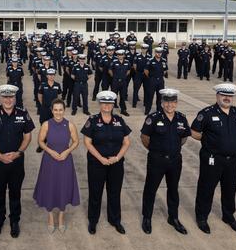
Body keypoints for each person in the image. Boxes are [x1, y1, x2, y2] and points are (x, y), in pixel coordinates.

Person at [191, 83, 236, 234]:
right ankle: (202, 217)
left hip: (233, 160)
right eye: (224, 95)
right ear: (217, 96)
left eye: (230, 96)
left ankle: (228, 216)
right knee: (206, 188)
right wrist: (211, 141)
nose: (227, 98)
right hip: (213, 159)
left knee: (230, 189)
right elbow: (195, 132)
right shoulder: (207, 113)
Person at [0, 84, 35, 238]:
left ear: (15, 98)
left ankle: (14, 221)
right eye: (5, 97)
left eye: (11, 97)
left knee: (15, 193)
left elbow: (28, 136)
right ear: (1, 98)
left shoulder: (22, 113)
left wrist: (18, 153)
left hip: (16, 162)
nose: (8, 100)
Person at [140, 88, 190, 235]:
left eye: (173, 102)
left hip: (175, 160)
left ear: (177, 103)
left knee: (173, 189)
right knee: (151, 189)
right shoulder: (153, 117)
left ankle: (173, 217)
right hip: (157, 160)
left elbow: (184, 137)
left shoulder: (181, 118)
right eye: (167, 102)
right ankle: (147, 218)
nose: (170, 105)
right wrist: (156, 150)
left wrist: (172, 149)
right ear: (162, 103)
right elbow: (145, 137)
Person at [82, 91, 131, 235]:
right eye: (104, 103)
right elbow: (87, 142)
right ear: (99, 104)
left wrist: (117, 157)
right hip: (97, 163)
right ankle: (93, 220)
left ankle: (115, 220)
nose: (107, 106)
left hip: (116, 163)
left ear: (113, 104)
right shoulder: (92, 120)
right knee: (95, 192)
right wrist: (101, 159)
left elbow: (126, 142)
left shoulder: (119, 120)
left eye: (109, 103)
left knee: (115, 192)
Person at [33, 99, 80, 233]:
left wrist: (66, 151)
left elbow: (76, 142)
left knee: (63, 187)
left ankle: (60, 218)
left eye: (60, 110)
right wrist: (50, 151)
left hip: (65, 160)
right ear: (52, 110)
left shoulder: (70, 125)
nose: (58, 113)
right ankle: (50, 217)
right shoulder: (46, 124)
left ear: (64, 110)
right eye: (55, 110)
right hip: (50, 160)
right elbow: (40, 141)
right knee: (49, 186)